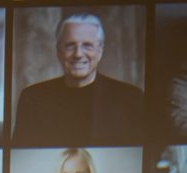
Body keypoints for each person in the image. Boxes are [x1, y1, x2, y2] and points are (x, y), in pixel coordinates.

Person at [13, 14, 144, 146]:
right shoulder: (33, 99)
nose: (78, 54)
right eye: (70, 45)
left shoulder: (131, 98)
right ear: (59, 51)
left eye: (87, 45)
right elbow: (21, 154)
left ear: (100, 51)